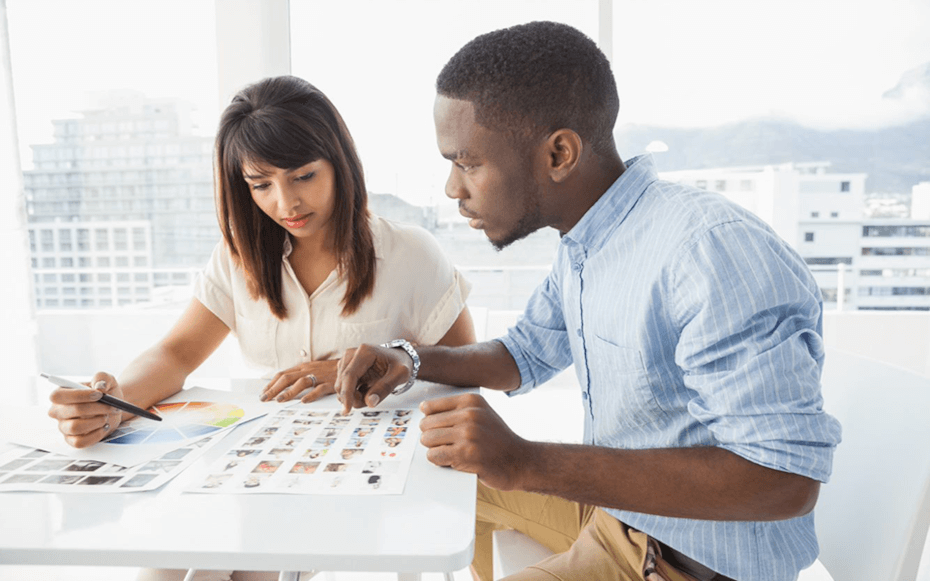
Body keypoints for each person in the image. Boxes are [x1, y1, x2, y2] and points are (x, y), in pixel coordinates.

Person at [335, 21, 842, 581]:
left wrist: (526, 460)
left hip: (684, 562)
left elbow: (782, 480)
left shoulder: (706, 250)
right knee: (439, 477)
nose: (454, 189)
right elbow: (523, 355)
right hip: (620, 519)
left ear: (558, 153)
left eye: (468, 163)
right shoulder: (587, 240)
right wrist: (411, 358)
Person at [47, 75, 475, 581]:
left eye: (303, 176)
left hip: (365, 470)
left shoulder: (411, 253)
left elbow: (470, 371)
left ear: (339, 161)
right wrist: (115, 404)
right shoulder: (239, 257)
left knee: (247, 567)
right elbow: (178, 353)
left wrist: (373, 367)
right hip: (263, 462)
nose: (285, 203)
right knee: (162, 564)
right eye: (261, 185)